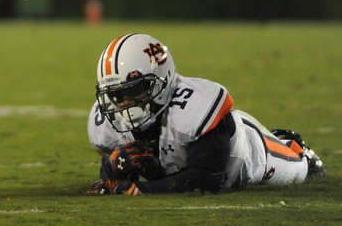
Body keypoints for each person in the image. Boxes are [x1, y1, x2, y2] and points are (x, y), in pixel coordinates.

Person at [85, 33, 324, 195]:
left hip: (248, 155)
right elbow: (112, 181)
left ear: (162, 82)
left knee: (300, 169)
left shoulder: (196, 108)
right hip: (186, 157)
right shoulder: (110, 122)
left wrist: (138, 190)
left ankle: (298, 149)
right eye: (117, 95)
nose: (124, 104)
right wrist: (113, 171)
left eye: (134, 91)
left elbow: (206, 180)